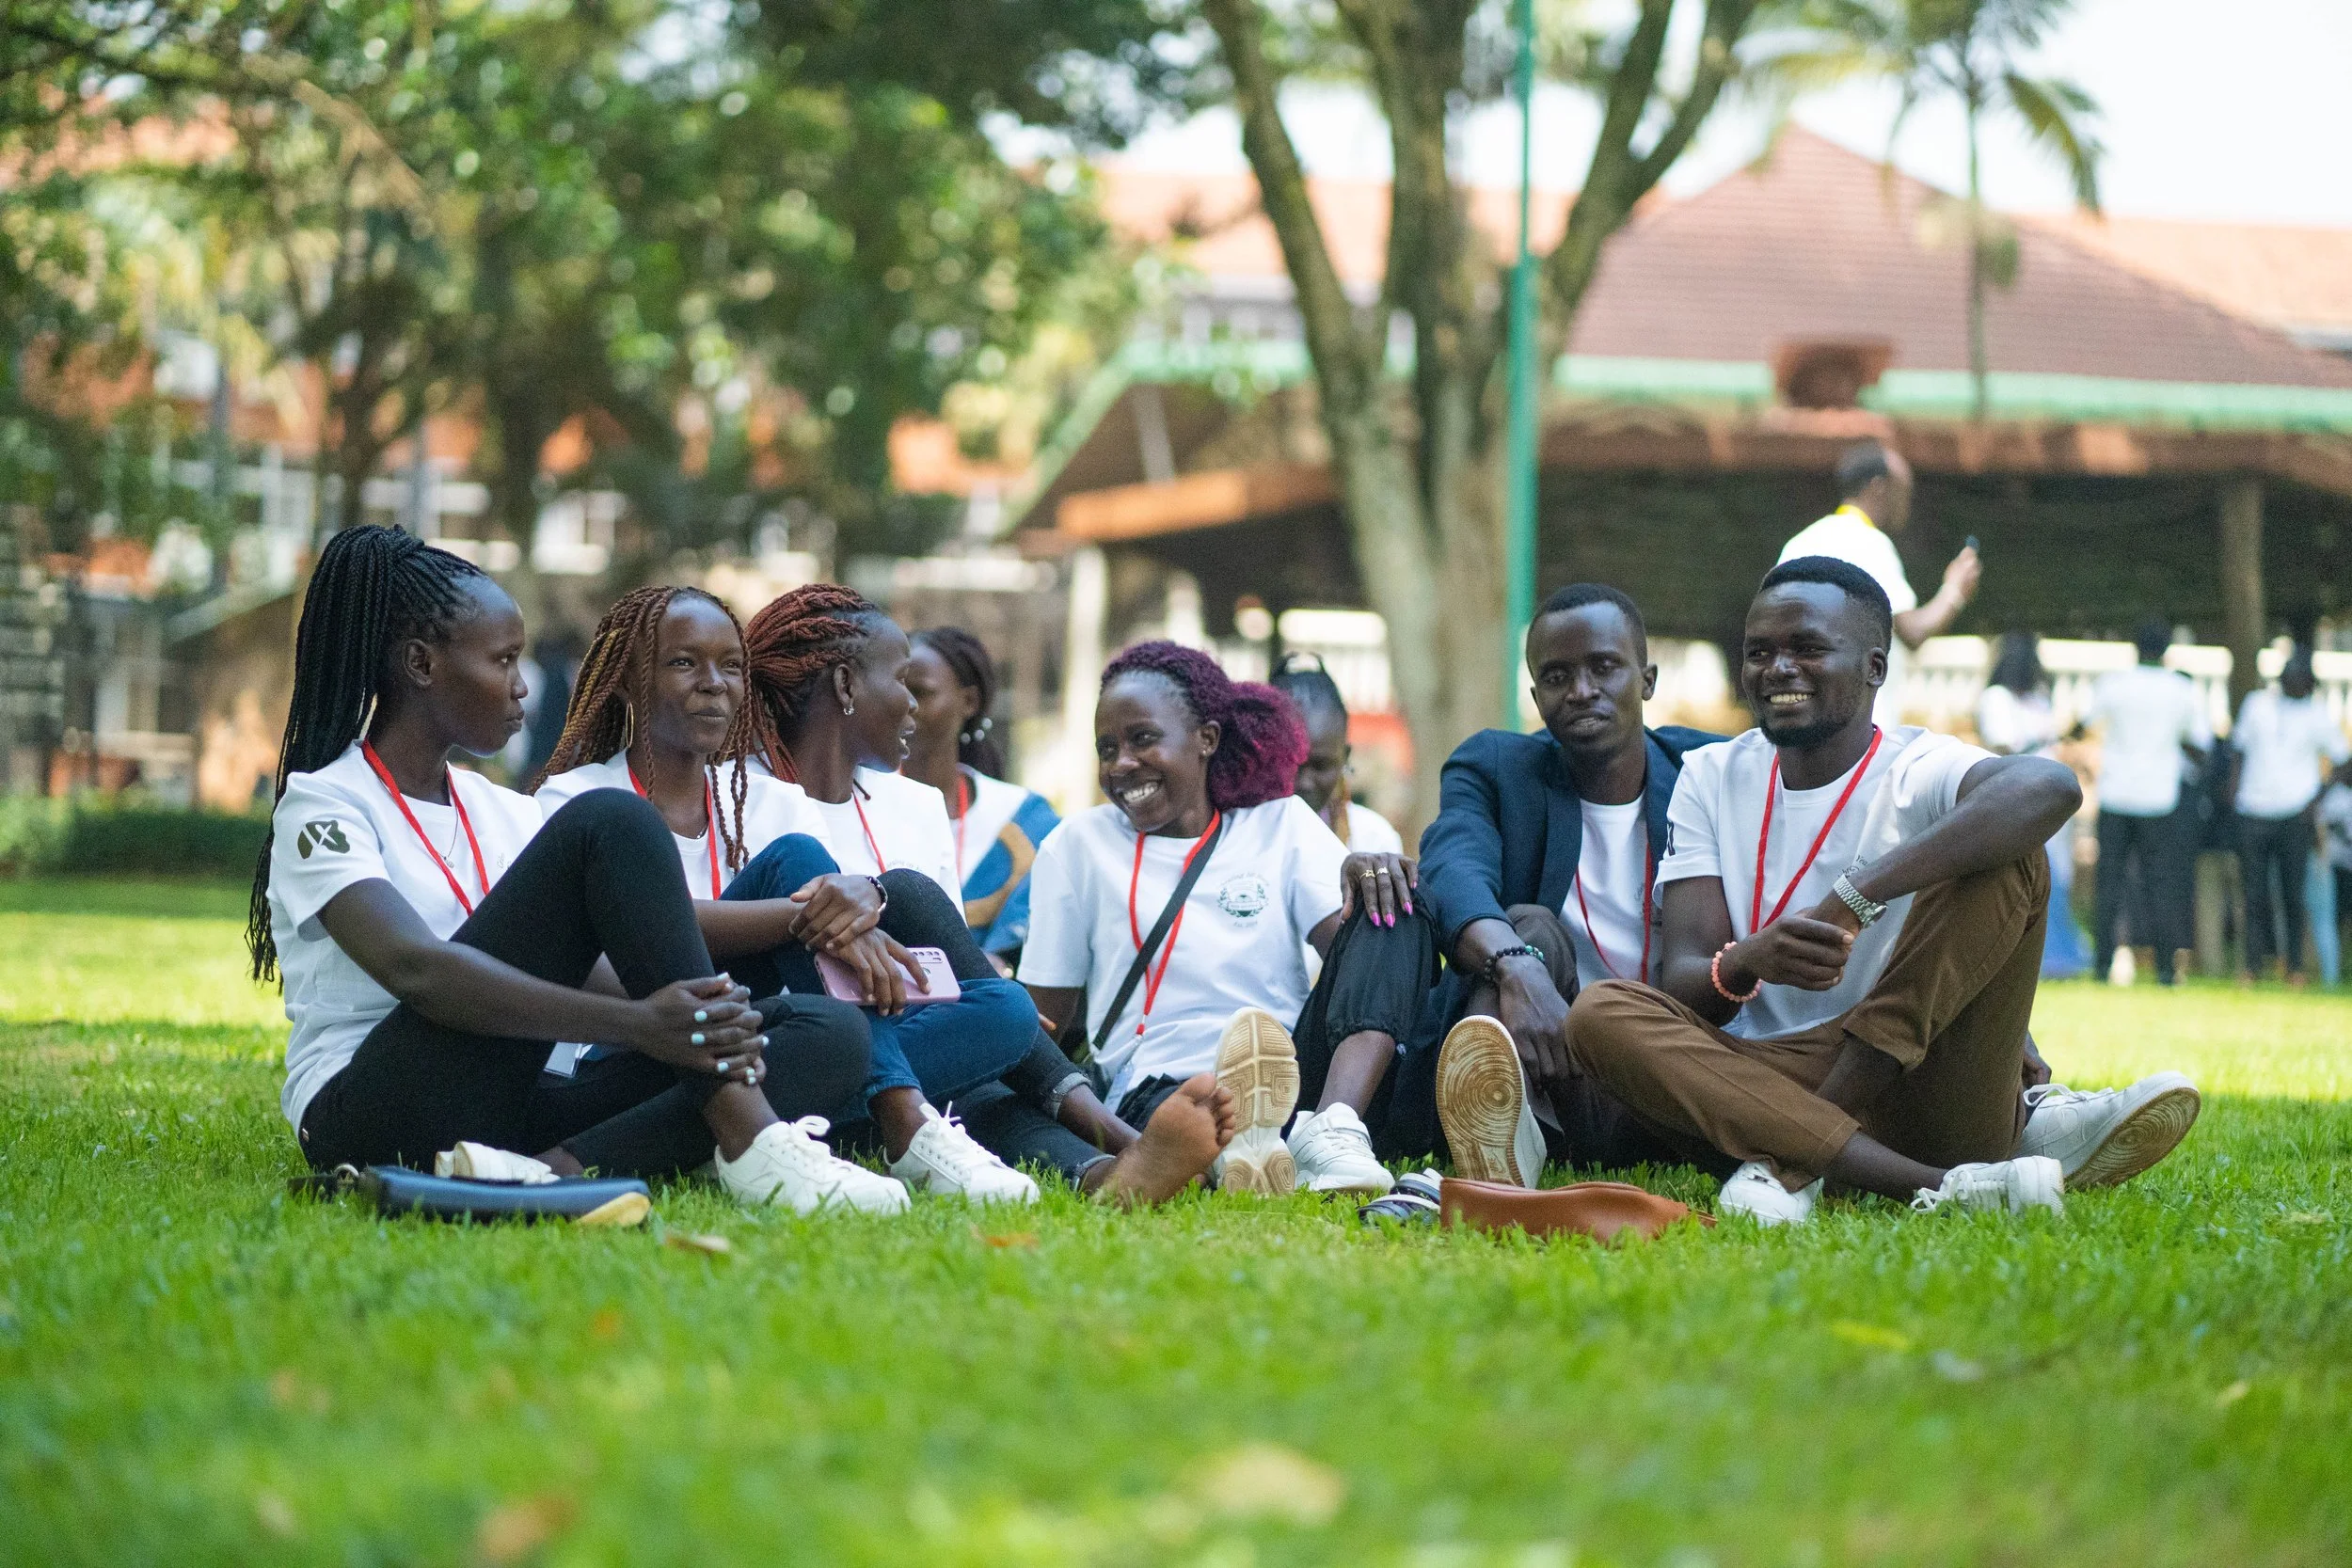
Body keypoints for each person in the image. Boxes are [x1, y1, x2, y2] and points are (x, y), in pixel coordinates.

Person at [251, 526, 903, 1213]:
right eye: (504, 661)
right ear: (421, 663)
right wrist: (637, 1026)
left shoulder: (496, 807)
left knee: (824, 1033)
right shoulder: (326, 802)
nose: (522, 688)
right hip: (376, 1103)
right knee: (615, 821)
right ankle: (752, 1142)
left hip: (514, 1092)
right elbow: (418, 970)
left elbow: (573, 964)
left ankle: (550, 1171)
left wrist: (700, 1020)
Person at [1566, 557, 2202, 1226]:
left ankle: (1791, 1163)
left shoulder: (1915, 764)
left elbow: (2048, 788)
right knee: (1598, 1014)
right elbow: (1686, 981)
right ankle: (1947, 1180)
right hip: (1764, 1075)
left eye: (1808, 648)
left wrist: (1855, 894)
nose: (1778, 668)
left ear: (1875, 667)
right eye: (1760, 652)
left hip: (1915, 1073)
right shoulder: (1710, 775)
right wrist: (1752, 957)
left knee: (2011, 860)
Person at [738, 587, 1228, 1204]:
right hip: (801, 1046)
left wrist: (973, 996)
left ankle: (1106, 1174)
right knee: (990, 1025)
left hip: (908, 1041)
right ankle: (1112, 1133)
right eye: (903, 681)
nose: (913, 706)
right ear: (845, 687)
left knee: (985, 1039)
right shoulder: (739, 800)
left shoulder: (911, 805)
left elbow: (938, 957)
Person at [1280, 584, 1725, 1198]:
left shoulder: (1707, 771)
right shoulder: (1497, 766)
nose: (1582, 690)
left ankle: (1495, 1146)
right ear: (1536, 694)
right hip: (1543, 1056)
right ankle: (1477, 1140)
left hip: (1653, 1069)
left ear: (1646, 679)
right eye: (1558, 675)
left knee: (1532, 932)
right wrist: (1520, 969)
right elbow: (1453, 868)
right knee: (1519, 923)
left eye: (1604, 667)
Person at [1019, 641, 1408, 1196]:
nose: (1122, 763)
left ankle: (1330, 1131)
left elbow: (1362, 952)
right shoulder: (1076, 847)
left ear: (1207, 738)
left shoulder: (1280, 824)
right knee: (1190, 1109)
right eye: (1107, 748)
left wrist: (1373, 877)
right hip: (1161, 1086)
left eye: (1143, 738)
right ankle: (1248, 1150)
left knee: (1394, 905)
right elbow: (1043, 1027)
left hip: (1295, 1072)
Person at [1778, 442, 1979, 726]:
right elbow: (1913, 632)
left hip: (1800, 714)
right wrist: (1954, 591)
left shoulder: (1798, 544)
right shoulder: (1871, 544)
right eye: (1904, 491)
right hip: (1860, 726)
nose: (1907, 503)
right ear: (1878, 487)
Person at [901, 626, 1062, 964]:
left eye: (920, 692)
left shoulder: (1026, 819)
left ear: (969, 702)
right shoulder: (858, 801)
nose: (905, 705)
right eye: (896, 689)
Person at [2085, 620, 2211, 986]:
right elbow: (2200, 744)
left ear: (2135, 647)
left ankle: (2101, 965)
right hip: (2160, 798)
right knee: (2161, 885)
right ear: (2168, 648)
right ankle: (2166, 970)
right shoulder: (2181, 690)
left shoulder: (2115, 683)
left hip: (2115, 794)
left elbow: (2084, 722)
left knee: (2109, 884)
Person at [2229, 649, 2349, 986]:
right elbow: (2239, 750)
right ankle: (2251, 967)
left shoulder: (2318, 715)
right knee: (2253, 894)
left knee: (2292, 894)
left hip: (2296, 813)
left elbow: (2343, 761)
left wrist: (2317, 799)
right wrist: (2234, 794)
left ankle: (2294, 967)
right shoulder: (2256, 704)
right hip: (2253, 809)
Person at [1975, 632, 2090, 979]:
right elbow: (2002, 745)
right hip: (2014, 797)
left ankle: (2057, 955)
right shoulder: (1997, 699)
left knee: (2056, 875)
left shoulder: (2040, 699)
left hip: (2049, 800)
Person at [1268, 655, 1406, 854]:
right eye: (1291, 764)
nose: (1305, 782)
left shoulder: (1373, 840)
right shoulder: (1239, 835)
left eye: (1321, 766)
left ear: (1345, 757)